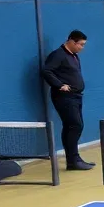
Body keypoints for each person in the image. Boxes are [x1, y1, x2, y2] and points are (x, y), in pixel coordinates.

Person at [41, 29, 92, 171]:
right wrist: (59, 85)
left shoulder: (73, 55)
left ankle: (74, 159)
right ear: (71, 41)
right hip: (64, 98)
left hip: (76, 96)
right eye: (80, 44)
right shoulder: (58, 55)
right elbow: (46, 71)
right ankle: (72, 160)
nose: (82, 48)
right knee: (75, 125)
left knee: (73, 126)